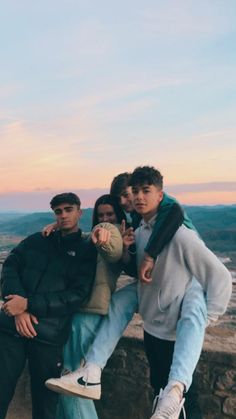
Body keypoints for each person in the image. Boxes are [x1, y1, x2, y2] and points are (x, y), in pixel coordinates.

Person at [45, 173, 208, 419]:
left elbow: (174, 213)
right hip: (156, 294)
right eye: (119, 197)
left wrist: (145, 253)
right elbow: (133, 267)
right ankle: (93, 370)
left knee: (180, 384)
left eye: (126, 195)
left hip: (185, 282)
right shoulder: (138, 225)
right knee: (159, 377)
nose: (124, 201)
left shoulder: (165, 211)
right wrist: (128, 251)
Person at [0, 192, 98, 419]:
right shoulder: (38, 239)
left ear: (79, 212)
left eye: (68, 210)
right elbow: (11, 265)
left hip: (47, 336)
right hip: (11, 328)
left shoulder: (86, 250)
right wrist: (19, 307)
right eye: (58, 211)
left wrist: (29, 304)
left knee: (45, 403)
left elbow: (77, 295)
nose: (63, 215)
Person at [47, 194, 125, 419]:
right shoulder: (89, 240)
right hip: (79, 313)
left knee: (72, 379)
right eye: (100, 215)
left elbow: (112, 248)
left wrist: (104, 234)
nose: (105, 219)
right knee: (67, 378)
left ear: (119, 219)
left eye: (110, 214)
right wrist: (56, 227)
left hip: (89, 315)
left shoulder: (114, 236)